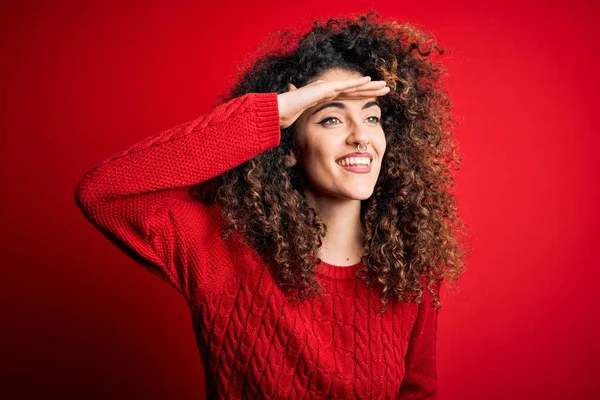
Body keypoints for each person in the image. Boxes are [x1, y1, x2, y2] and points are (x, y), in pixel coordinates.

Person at [74, 11, 467, 399]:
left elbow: (418, 392)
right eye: (331, 119)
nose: (360, 137)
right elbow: (104, 193)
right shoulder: (222, 249)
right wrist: (271, 115)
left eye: (372, 117)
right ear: (289, 148)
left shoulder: (407, 271)